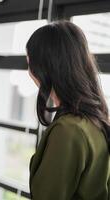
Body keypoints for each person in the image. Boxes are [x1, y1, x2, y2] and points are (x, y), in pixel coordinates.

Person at [26, 21, 110, 199]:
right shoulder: (95, 120)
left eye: (29, 62)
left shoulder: (68, 130)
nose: (29, 71)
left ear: (42, 69)